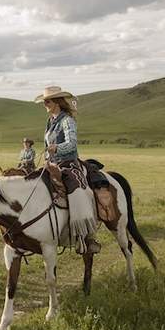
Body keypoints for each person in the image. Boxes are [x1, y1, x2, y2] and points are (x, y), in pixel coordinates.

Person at [35, 86, 101, 255]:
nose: (45, 104)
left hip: (68, 163)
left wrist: (56, 148)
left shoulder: (67, 120)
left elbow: (72, 143)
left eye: (47, 101)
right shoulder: (50, 121)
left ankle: (87, 235)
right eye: (44, 101)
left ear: (57, 102)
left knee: (78, 191)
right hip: (52, 164)